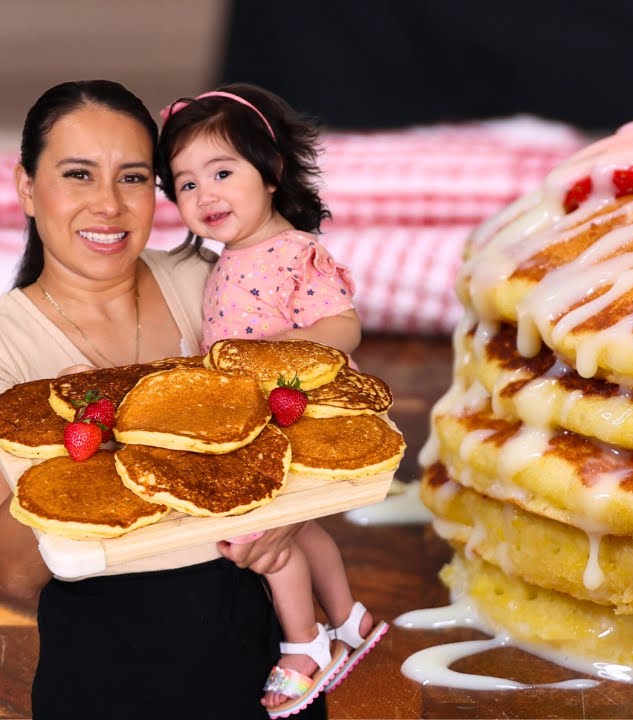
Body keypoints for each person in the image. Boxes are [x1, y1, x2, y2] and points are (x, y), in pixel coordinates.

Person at [0, 80, 326, 719]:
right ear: (28, 188)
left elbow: (314, 421)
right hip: (112, 663)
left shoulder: (210, 281)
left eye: (132, 178)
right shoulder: (9, 348)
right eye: (77, 174)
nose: (108, 205)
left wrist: (294, 509)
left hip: (265, 644)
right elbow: (14, 574)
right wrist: (111, 448)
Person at [157, 84, 386, 717]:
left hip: (297, 413)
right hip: (258, 417)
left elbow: (344, 327)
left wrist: (284, 349)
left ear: (272, 170)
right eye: (185, 184)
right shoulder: (231, 256)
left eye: (223, 172)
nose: (205, 195)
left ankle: (303, 646)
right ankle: (349, 618)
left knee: (256, 528)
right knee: (301, 525)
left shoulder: (293, 252)